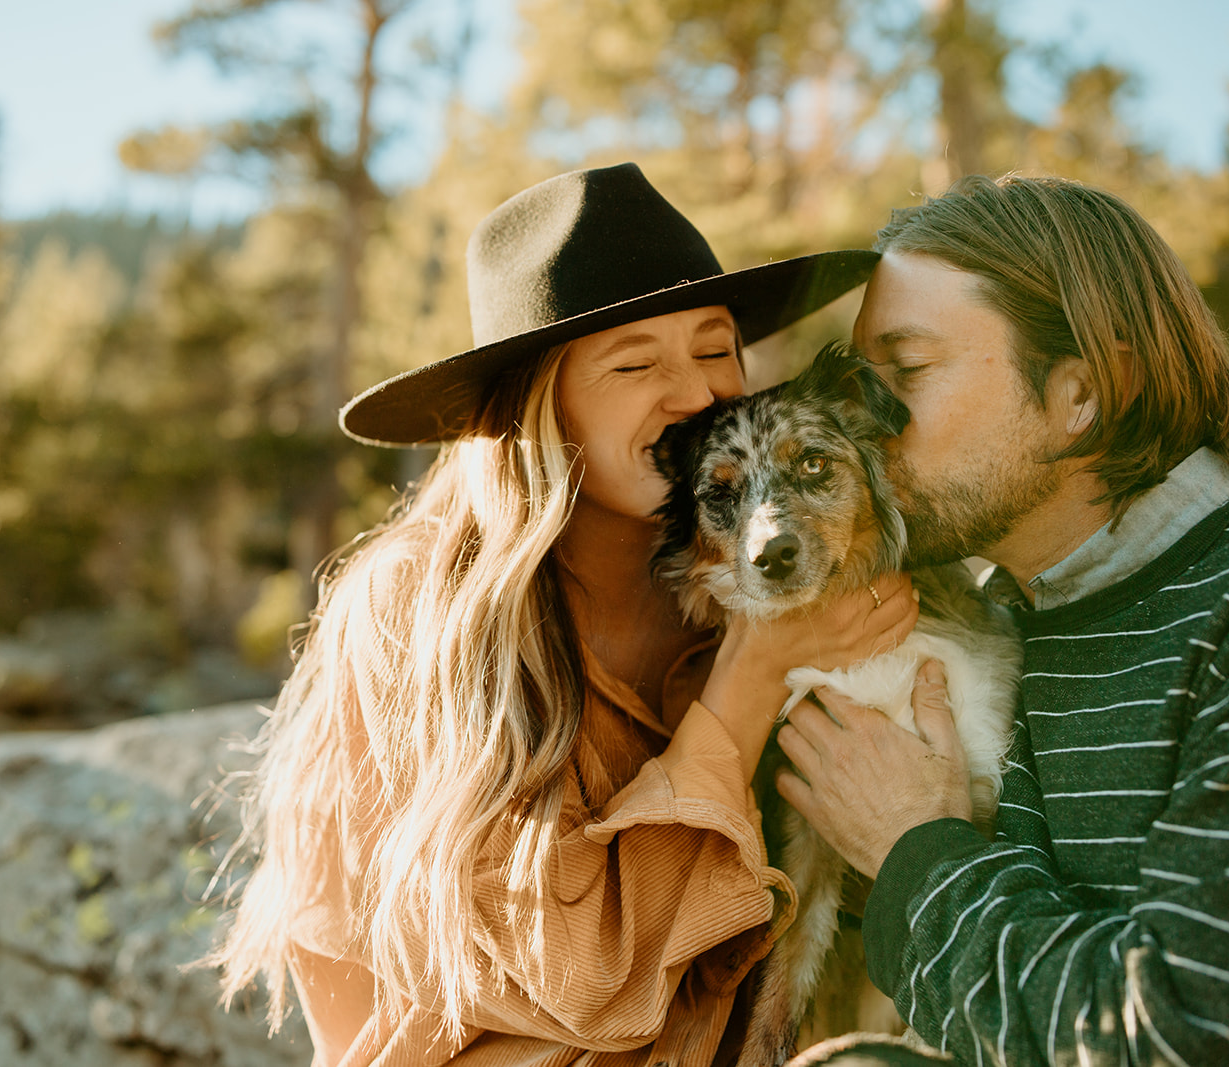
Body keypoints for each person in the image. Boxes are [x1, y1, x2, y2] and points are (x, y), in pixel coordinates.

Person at [206, 162, 919, 1066]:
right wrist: (748, 681)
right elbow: (584, 976)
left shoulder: (753, 577)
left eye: (714, 349)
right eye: (635, 363)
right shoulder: (422, 614)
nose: (699, 395)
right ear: (542, 408)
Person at [776, 174, 1229, 1065]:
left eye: (903, 373)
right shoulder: (986, 623)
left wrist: (916, 851)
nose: (855, 423)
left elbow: (1198, 1035)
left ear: (1082, 391)